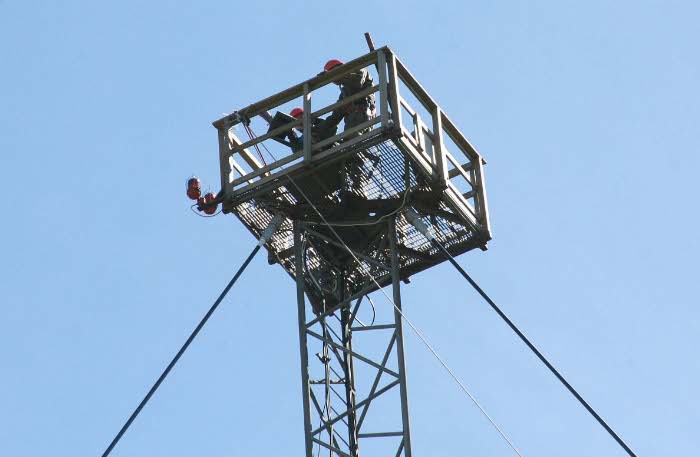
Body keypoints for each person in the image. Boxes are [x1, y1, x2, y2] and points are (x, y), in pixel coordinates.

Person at [321, 59, 376, 138]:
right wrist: (314, 126)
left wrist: (340, 78)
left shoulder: (359, 69)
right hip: (352, 120)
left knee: (353, 137)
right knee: (349, 139)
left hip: (363, 112)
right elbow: (335, 116)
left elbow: (358, 82)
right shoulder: (345, 93)